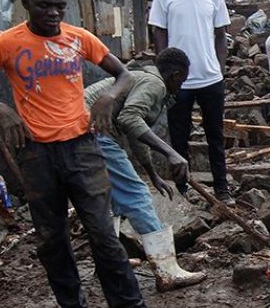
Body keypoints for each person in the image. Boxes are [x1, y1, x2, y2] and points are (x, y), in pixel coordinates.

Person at [0, 0, 157, 308]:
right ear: (27, 4)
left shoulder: (78, 39)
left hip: (82, 146)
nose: (53, 13)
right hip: (35, 152)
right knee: (51, 236)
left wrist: (111, 96)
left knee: (102, 232)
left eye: (60, 6)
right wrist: (1, 110)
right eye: (45, 5)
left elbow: (125, 74)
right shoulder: (5, 43)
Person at [84, 49, 207, 292]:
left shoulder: (143, 78)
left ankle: (108, 262)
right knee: (136, 194)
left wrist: (153, 173)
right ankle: (167, 271)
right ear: (175, 74)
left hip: (83, 130)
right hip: (92, 131)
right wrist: (170, 152)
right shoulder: (154, 83)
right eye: (182, 81)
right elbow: (130, 119)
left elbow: (134, 131)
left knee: (113, 201)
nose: (181, 87)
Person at [149, 0, 233, 202]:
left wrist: (219, 68)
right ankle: (183, 189)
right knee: (179, 137)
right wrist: (164, 71)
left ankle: (222, 188)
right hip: (178, 83)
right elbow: (158, 33)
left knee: (215, 137)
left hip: (210, 79)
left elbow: (221, 35)